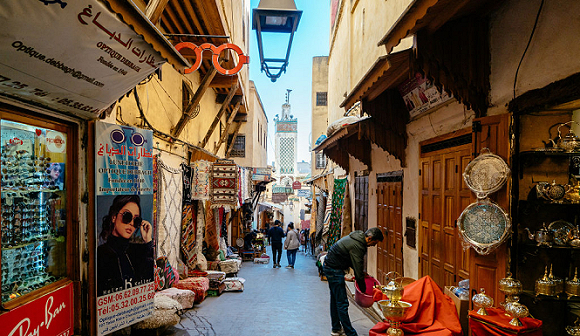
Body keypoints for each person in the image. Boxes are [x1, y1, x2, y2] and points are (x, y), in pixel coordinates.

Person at [323, 228, 384, 336]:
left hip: (330, 267)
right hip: (334, 270)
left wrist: (361, 272)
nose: (374, 245)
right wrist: (364, 291)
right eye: (375, 242)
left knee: (335, 299)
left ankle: (336, 328)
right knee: (342, 303)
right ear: (369, 238)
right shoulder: (358, 246)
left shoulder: (357, 238)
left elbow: (352, 261)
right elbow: (358, 272)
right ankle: (350, 333)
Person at [97, 195, 154, 296]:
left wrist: (147, 240)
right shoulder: (101, 254)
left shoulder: (138, 251)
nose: (131, 223)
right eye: (127, 216)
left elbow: (149, 283)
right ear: (114, 217)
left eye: (136, 220)